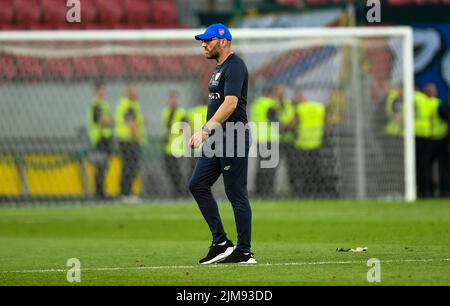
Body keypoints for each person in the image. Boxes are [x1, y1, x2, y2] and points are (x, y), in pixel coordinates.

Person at [189, 24, 256, 264]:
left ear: (224, 41)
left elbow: (230, 104)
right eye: (202, 41)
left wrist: (205, 130)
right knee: (197, 185)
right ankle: (221, 243)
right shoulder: (220, 68)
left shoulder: (235, 65)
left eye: (208, 40)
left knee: (235, 192)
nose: (203, 44)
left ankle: (244, 251)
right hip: (219, 139)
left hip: (233, 137)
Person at [291, 91, 326, 198]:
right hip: (316, 143)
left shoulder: (299, 109)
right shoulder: (320, 107)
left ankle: (302, 192)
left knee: (302, 171)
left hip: (302, 144)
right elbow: (328, 122)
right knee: (316, 169)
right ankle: (318, 192)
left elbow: (292, 124)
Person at [115, 84, 147, 202]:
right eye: (135, 91)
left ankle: (126, 193)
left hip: (126, 140)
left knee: (128, 166)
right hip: (129, 140)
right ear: (129, 92)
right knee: (130, 167)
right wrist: (137, 138)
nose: (137, 94)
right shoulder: (128, 105)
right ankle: (125, 193)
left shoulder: (129, 104)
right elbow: (131, 123)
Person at [250, 85, 279, 197]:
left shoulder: (257, 103)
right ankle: (267, 191)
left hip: (259, 138)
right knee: (270, 166)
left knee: (261, 165)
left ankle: (259, 189)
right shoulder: (270, 104)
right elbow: (275, 120)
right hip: (270, 138)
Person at [87, 82, 113, 199]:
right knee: (101, 166)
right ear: (96, 91)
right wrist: (109, 120)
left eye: (104, 90)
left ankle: (101, 191)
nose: (103, 93)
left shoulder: (103, 105)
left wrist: (109, 120)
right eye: (101, 90)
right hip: (100, 139)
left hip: (105, 139)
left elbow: (109, 120)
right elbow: (103, 121)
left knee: (104, 167)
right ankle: (99, 192)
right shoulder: (96, 105)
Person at [161, 90, 188, 198]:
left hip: (177, 148)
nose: (172, 100)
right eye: (170, 98)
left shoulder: (181, 113)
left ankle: (180, 192)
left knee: (177, 172)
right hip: (167, 147)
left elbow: (186, 128)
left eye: (174, 98)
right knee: (170, 172)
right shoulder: (166, 111)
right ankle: (176, 192)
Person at [425, 84, 450, 197]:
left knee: (428, 166)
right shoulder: (439, 104)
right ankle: (443, 191)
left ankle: (428, 191)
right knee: (442, 166)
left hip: (430, 138)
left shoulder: (427, 103)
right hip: (440, 138)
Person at [414, 87, 434, 198]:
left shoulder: (413, 98)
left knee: (417, 165)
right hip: (429, 136)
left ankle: (419, 190)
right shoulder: (430, 101)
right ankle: (427, 191)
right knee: (426, 166)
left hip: (416, 136)